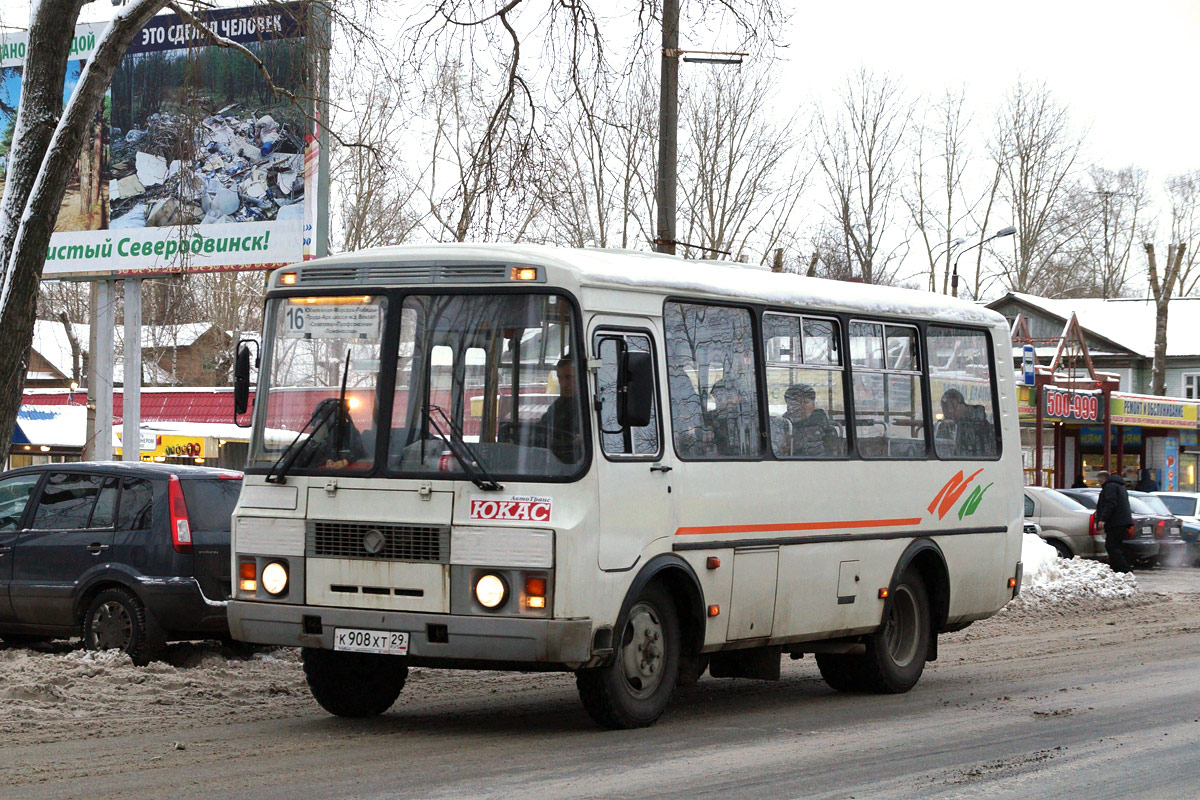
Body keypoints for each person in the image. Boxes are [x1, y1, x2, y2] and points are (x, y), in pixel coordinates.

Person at [539, 355, 582, 463]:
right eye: (560, 378)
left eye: (569, 377)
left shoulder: (588, 408)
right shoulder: (558, 405)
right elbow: (542, 428)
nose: (563, 384)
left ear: (581, 376)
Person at [1095, 469, 1135, 573]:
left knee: (1111, 546)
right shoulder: (1120, 486)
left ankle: (1124, 570)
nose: (1099, 484)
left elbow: (1110, 504)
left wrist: (1103, 519)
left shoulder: (1110, 487)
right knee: (1117, 547)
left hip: (1115, 522)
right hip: (1122, 521)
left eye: (1099, 481)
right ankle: (1117, 570)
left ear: (1104, 479)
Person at [935, 388, 994, 457]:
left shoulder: (978, 426)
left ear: (962, 405)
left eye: (953, 406)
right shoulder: (947, 426)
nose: (949, 411)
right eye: (945, 408)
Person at [782, 383, 836, 457]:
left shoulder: (820, 419)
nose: (801, 407)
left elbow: (831, 448)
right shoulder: (785, 423)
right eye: (795, 403)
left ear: (813, 405)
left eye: (805, 403)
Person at [707, 378, 748, 456]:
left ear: (739, 396)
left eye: (729, 394)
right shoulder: (710, 419)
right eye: (718, 396)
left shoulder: (747, 417)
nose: (720, 400)